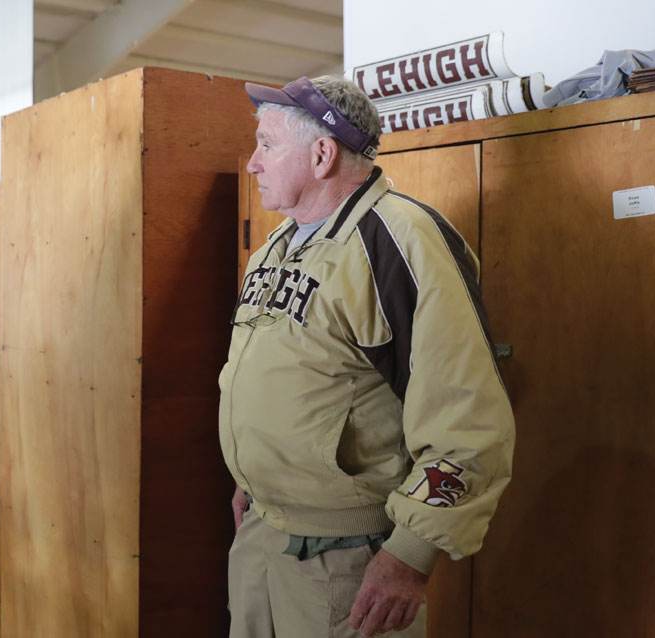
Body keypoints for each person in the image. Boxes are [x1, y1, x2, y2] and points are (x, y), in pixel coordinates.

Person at [220, 76, 515, 637]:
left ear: (322, 153)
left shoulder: (402, 240)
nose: (253, 164)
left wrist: (409, 554)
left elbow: (469, 422)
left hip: (346, 558)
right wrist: (251, 476)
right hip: (261, 534)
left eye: (266, 144)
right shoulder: (273, 249)